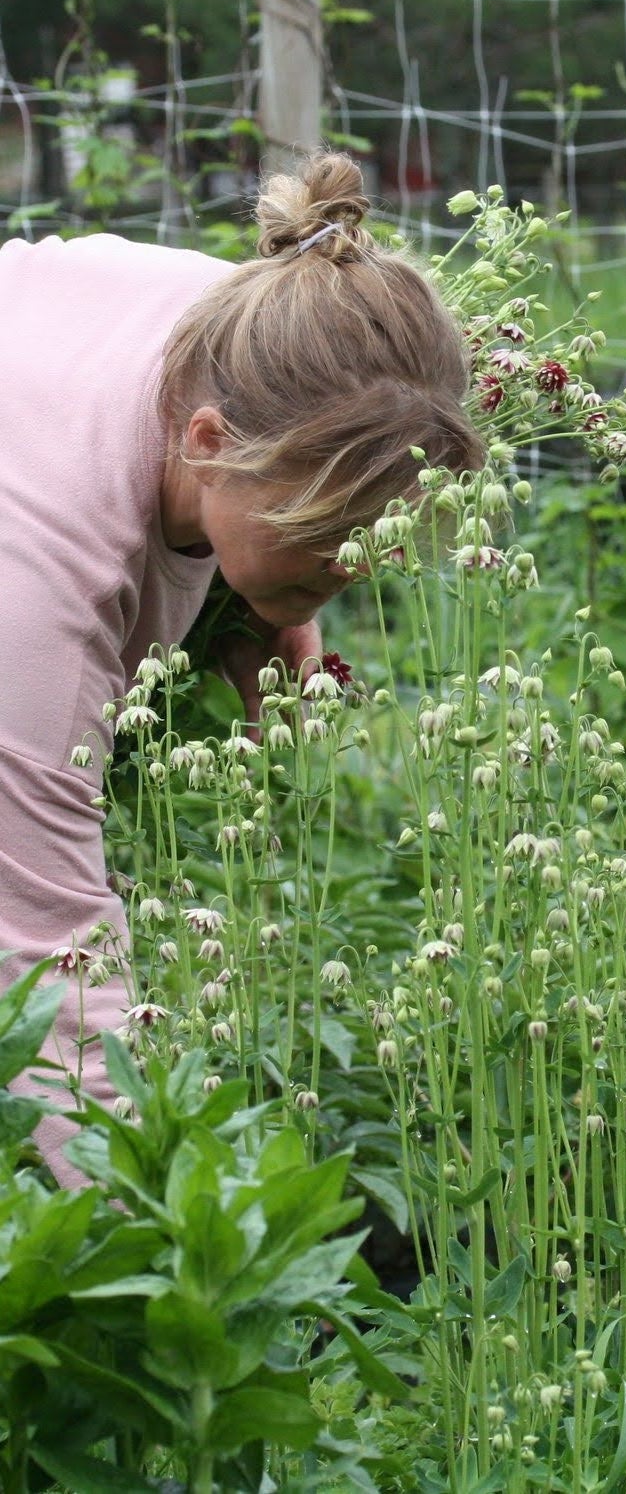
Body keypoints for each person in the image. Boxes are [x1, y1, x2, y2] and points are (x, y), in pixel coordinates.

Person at [0, 150, 482, 1181]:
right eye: (331, 536)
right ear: (210, 442)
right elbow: (49, 959)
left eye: (376, 536)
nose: (359, 565)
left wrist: (271, 603)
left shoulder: (260, 330)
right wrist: (158, 1261)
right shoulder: (36, 593)